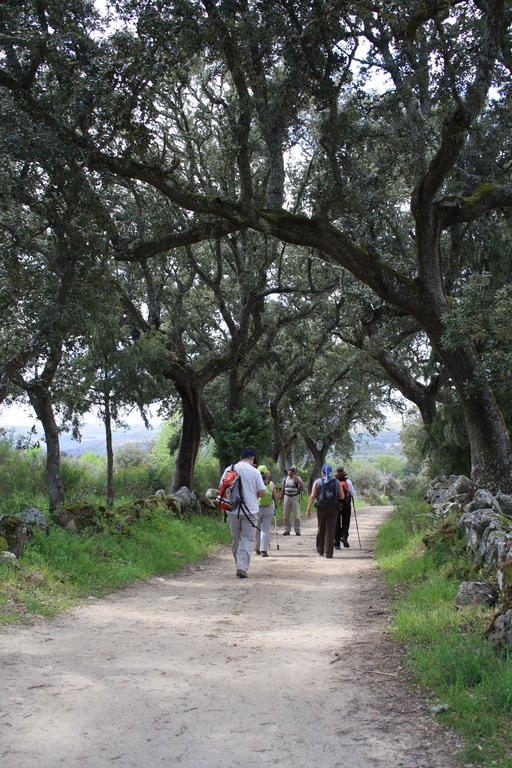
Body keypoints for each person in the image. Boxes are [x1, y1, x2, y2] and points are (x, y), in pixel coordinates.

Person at [221, 447, 266, 578]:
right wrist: (253, 492)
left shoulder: (230, 469)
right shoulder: (254, 471)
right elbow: (263, 491)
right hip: (250, 510)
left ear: (241, 457)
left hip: (232, 509)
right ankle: (242, 566)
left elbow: (221, 486)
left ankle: (238, 564)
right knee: (247, 539)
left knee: (236, 539)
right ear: (252, 459)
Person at [306, 464, 344, 558]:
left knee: (321, 528)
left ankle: (320, 550)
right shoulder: (337, 482)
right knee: (330, 530)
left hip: (321, 508)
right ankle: (329, 553)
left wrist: (308, 509)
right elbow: (342, 496)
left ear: (322, 472)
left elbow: (312, 496)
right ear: (331, 472)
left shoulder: (317, 482)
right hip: (334, 509)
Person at [255, 465, 279, 557]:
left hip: (257, 508)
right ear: (267, 475)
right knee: (265, 530)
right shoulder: (271, 484)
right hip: (268, 508)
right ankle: (263, 550)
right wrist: (276, 504)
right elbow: (275, 497)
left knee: (257, 529)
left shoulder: (256, 484)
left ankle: (257, 548)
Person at [334, 466, 355, 549]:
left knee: (336, 523)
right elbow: (352, 493)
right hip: (346, 504)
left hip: (337, 505)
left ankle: (337, 544)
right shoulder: (348, 481)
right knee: (346, 522)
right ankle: (344, 536)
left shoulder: (334, 482)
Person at [279, 465, 305, 535]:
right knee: (286, 514)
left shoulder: (297, 478)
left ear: (295, 472)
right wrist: (280, 499)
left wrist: (297, 479)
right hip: (287, 497)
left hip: (295, 497)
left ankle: (297, 530)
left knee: (297, 515)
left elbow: (302, 487)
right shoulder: (285, 478)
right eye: (290, 470)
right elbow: (282, 489)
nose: (290, 471)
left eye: (292, 470)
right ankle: (287, 530)